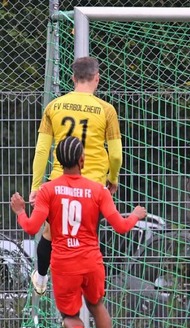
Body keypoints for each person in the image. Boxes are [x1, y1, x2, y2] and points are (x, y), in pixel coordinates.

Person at [12, 136, 145, 328]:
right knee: (97, 306)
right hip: (91, 260)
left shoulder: (48, 191)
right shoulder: (98, 190)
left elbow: (32, 228)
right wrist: (135, 215)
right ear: (82, 160)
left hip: (64, 263)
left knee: (70, 316)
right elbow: (122, 227)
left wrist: (20, 211)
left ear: (58, 161)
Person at [29, 56, 123, 296]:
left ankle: (41, 277)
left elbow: (41, 150)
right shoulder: (106, 110)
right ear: (97, 78)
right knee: (85, 240)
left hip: (60, 184)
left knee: (51, 235)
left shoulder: (54, 107)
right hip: (92, 187)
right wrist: (113, 178)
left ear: (72, 78)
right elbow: (115, 156)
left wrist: (36, 185)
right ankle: (81, 296)